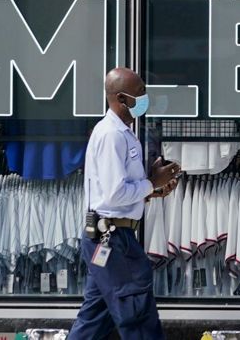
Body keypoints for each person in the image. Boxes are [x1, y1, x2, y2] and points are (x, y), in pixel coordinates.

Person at [69, 68, 181, 340]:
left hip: (110, 236)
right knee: (137, 314)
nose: (145, 97)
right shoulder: (112, 135)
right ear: (121, 98)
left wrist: (148, 192)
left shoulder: (121, 132)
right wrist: (152, 183)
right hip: (112, 239)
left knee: (95, 318)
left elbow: (114, 191)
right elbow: (114, 194)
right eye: (140, 92)